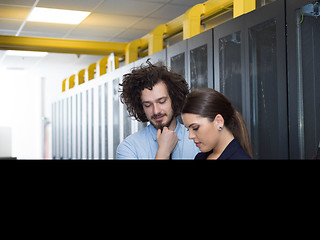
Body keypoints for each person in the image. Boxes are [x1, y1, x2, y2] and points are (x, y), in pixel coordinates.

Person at [116, 60, 200, 160]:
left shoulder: (199, 140)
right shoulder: (129, 148)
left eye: (162, 101)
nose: (156, 111)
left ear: (174, 99)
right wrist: (163, 152)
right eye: (148, 105)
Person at [181, 88, 254, 160]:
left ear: (219, 121)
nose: (190, 136)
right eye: (188, 129)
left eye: (195, 128)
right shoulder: (200, 157)